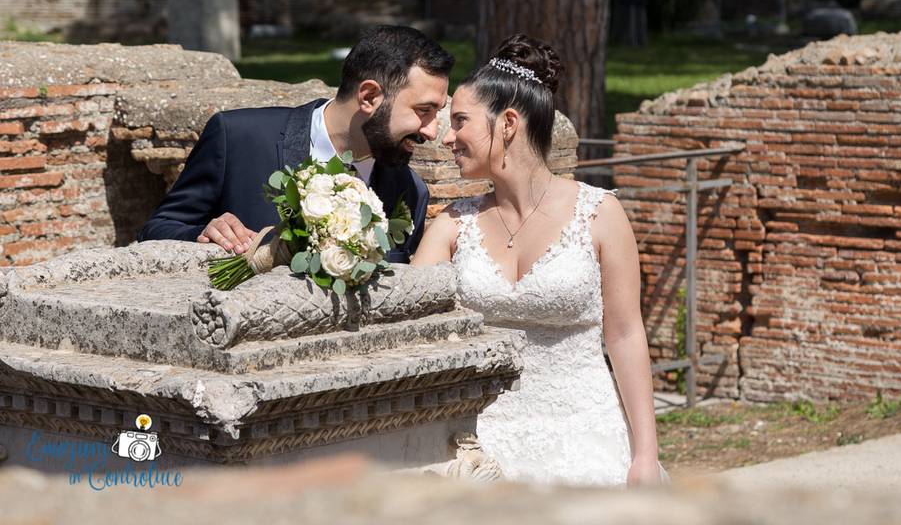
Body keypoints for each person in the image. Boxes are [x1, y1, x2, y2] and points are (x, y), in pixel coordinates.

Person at [412, 34, 664, 487]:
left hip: (587, 439)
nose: (447, 137)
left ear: (507, 123)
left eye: (460, 122)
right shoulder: (453, 225)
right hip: (479, 446)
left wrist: (645, 454)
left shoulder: (600, 214)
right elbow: (409, 323)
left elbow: (626, 335)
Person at [138, 25, 454, 263]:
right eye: (423, 111)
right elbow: (156, 230)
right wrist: (202, 233)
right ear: (369, 96)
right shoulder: (238, 137)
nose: (429, 132)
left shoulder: (410, 192)